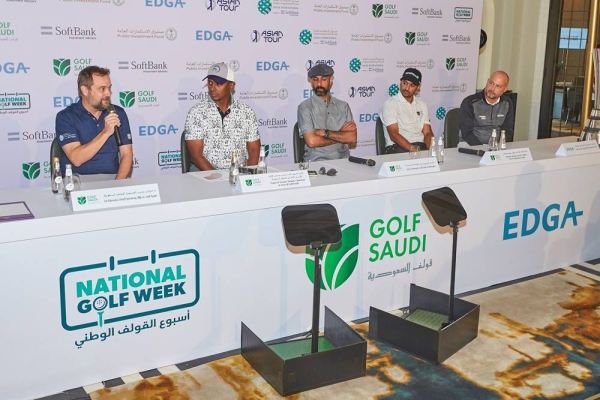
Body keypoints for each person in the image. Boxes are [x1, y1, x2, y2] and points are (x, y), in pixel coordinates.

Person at [56, 66, 133, 178]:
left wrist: (118, 184)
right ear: (85, 90)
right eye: (102, 89)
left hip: (112, 179)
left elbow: (126, 154)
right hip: (77, 181)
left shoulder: (117, 113)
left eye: (109, 88)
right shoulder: (66, 117)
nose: (108, 93)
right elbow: (76, 159)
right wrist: (105, 133)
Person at [184, 62, 261, 170]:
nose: (212, 88)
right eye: (210, 83)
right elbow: (196, 157)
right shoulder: (196, 113)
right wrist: (219, 181)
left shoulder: (246, 112)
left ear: (231, 85)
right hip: (205, 175)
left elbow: (254, 151)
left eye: (218, 84)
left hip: (238, 174)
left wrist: (246, 176)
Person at [297, 64, 357, 161]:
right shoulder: (305, 107)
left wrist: (325, 133)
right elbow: (312, 141)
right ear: (311, 81)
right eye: (315, 79)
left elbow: (351, 138)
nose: (319, 84)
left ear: (331, 79)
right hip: (317, 161)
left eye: (324, 79)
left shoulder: (343, 106)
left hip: (344, 160)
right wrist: (341, 134)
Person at [381, 68, 433, 153]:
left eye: (412, 85)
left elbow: (427, 132)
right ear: (400, 82)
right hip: (397, 148)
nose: (407, 88)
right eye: (405, 83)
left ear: (418, 87)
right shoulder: (391, 104)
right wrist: (413, 150)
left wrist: (431, 150)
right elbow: (394, 135)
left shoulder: (422, 104)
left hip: (420, 146)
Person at [459, 70, 514, 146]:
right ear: (487, 82)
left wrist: (499, 146)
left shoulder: (507, 103)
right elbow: (467, 133)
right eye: (491, 83)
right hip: (471, 145)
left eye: (498, 86)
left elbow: (508, 130)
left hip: (496, 146)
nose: (492, 89)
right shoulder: (470, 102)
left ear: (505, 89)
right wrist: (483, 149)